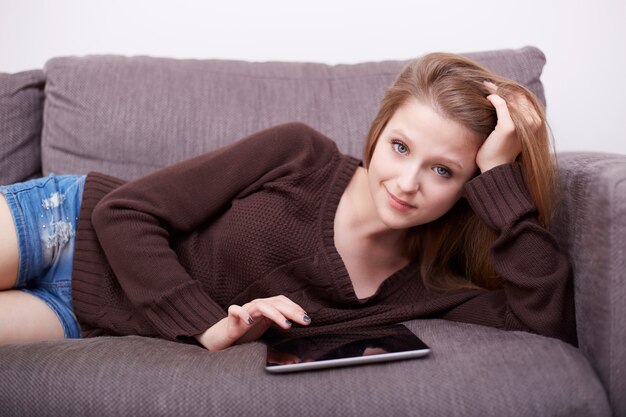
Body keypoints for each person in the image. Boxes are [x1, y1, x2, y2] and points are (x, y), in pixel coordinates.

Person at [0, 52, 577, 351]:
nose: (405, 182)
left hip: (92, 315)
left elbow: (545, 323)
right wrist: (207, 325)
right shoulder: (300, 153)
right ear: (377, 133)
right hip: (66, 224)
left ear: (469, 184)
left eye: (443, 170)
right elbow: (124, 213)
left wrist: (502, 176)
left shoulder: (430, 286)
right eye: (399, 147)